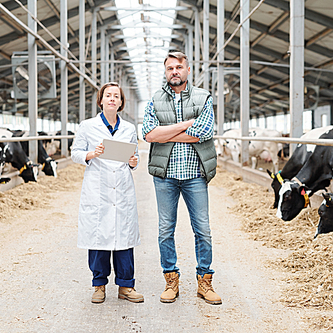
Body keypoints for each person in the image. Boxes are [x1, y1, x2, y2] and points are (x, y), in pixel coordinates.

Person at [142, 52, 221, 305]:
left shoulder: (203, 97)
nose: (174, 71)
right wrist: (187, 124)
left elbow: (205, 132)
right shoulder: (155, 99)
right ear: (165, 72)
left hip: (195, 174)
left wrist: (166, 133)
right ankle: (171, 281)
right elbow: (149, 134)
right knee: (166, 229)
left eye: (178, 67)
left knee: (203, 230)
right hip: (165, 175)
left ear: (188, 69)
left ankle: (205, 282)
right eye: (169, 68)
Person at [71, 82, 143, 304]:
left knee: (124, 240)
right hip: (98, 188)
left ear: (121, 103)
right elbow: (75, 153)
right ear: (101, 100)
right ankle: (99, 285)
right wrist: (92, 154)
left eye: (116, 96)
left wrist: (133, 162)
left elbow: (135, 157)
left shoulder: (129, 129)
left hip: (121, 188)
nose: (112, 99)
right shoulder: (87, 126)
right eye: (108, 95)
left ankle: (126, 286)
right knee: (98, 238)